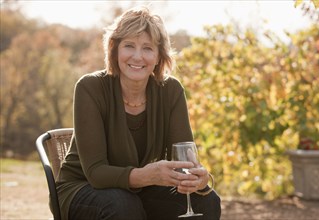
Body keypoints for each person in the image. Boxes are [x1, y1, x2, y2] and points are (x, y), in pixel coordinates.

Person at [56, 6, 221, 220]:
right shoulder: (90, 87)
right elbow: (96, 173)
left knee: (207, 200)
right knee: (122, 205)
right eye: (129, 46)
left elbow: (185, 162)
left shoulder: (171, 91)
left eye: (147, 48)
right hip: (82, 189)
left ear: (159, 55)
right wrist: (147, 175)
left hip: (140, 191)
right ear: (114, 50)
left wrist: (199, 179)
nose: (137, 56)